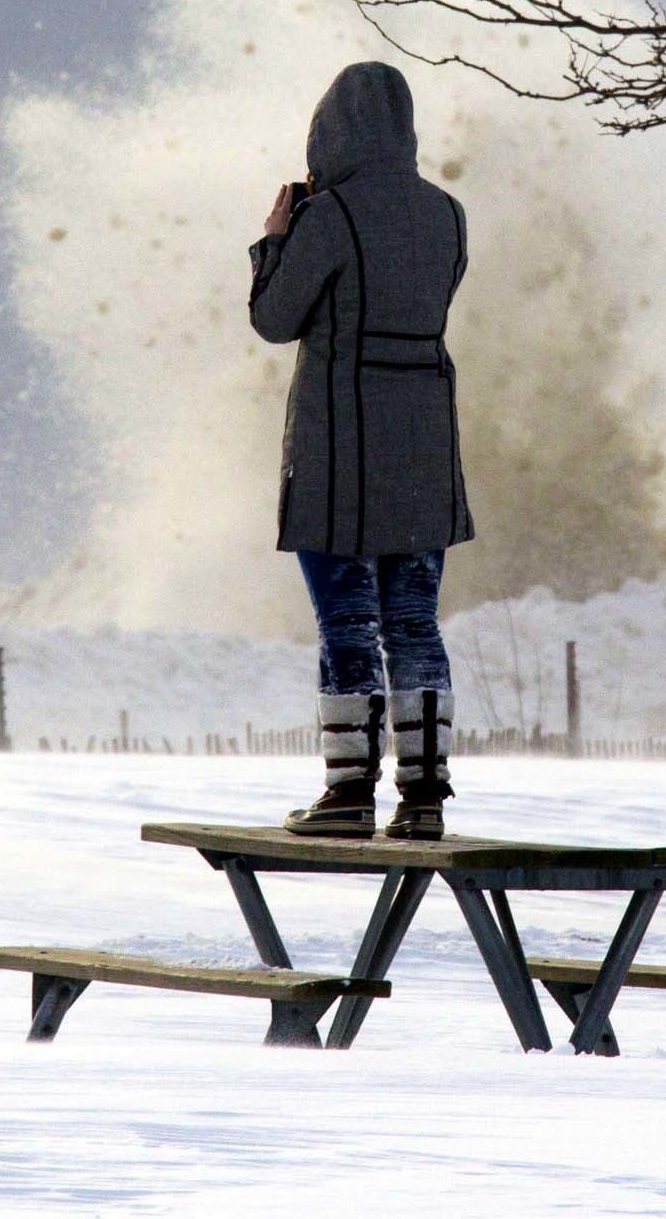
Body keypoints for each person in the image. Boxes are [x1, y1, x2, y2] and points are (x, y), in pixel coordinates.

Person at [249, 61, 473, 841]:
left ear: (328, 132)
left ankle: (348, 795)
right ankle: (425, 800)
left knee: (348, 621)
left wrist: (274, 242)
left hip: (341, 450)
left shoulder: (328, 217)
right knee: (415, 621)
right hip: (425, 448)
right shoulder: (449, 214)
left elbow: (277, 320)